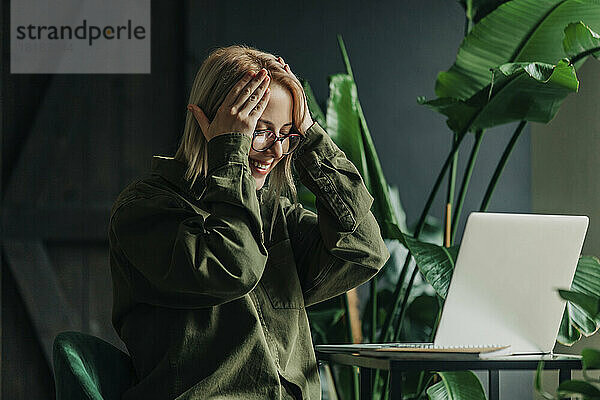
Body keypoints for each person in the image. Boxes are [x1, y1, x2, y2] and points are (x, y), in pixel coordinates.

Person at [108, 44, 390, 400]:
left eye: (286, 133)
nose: (276, 151)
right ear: (205, 121)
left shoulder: (273, 212)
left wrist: (310, 138)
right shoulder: (145, 210)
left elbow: (365, 250)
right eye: (258, 130)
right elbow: (234, 267)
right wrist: (230, 151)